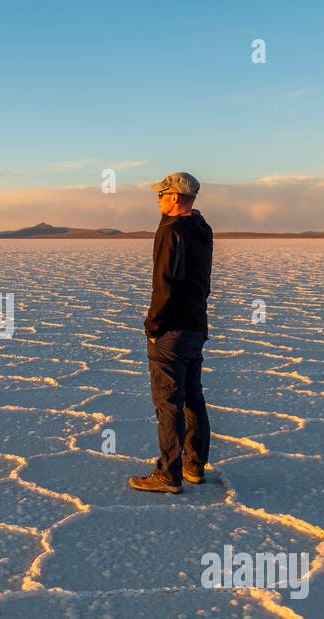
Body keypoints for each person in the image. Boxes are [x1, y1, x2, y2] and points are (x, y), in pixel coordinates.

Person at [129, 171, 214, 494]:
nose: (158, 200)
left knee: (168, 402)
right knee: (193, 397)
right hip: (196, 324)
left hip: (172, 329)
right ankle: (194, 466)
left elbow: (164, 282)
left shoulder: (170, 229)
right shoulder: (201, 228)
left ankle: (168, 474)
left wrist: (153, 325)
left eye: (162, 194)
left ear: (175, 197)